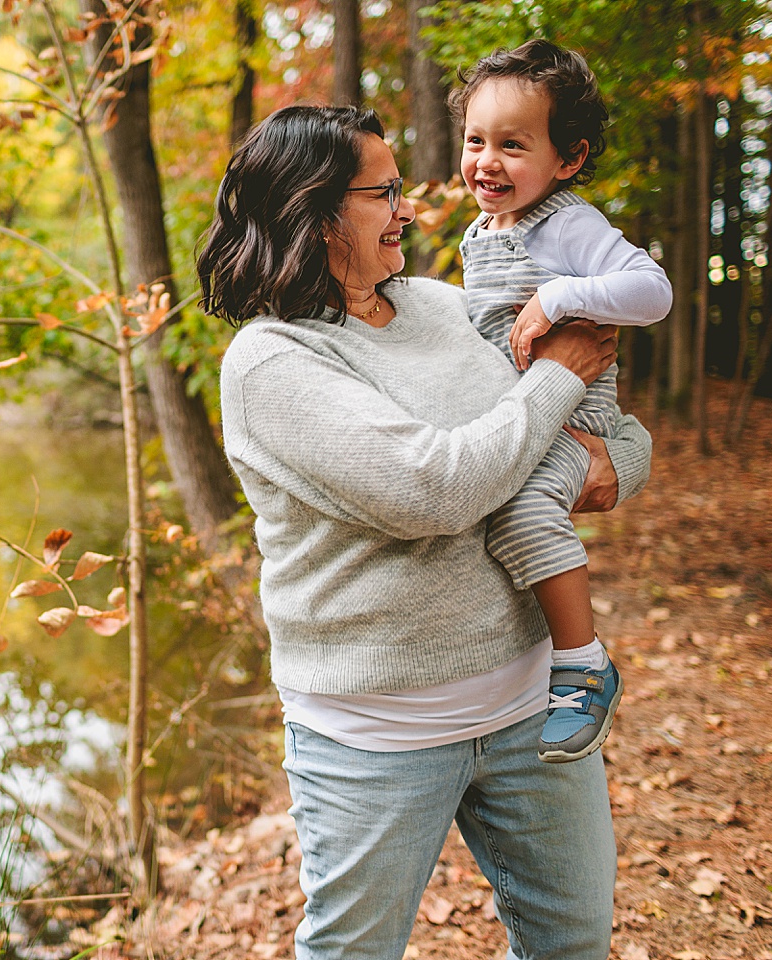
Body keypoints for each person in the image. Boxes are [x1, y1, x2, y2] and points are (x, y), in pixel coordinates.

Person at [197, 104, 651, 960]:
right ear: (314, 209)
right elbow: (433, 487)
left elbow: (596, 419)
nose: (410, 210)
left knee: (573, 938)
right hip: (377, 733)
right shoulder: (273, 361)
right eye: (386, 193)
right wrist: (553, 379)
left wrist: (619, 464)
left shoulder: (440, 308)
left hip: (531, 706)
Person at [452, 39, 672, 763]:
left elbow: (653, 292)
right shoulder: (478, 234)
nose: (487, 161)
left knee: (518, 511)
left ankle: (582, 665)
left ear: (568, 159)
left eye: (513, 145)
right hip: (522, 421)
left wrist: (560, 293)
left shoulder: (567, 224)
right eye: (476, 140)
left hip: (575, 424)